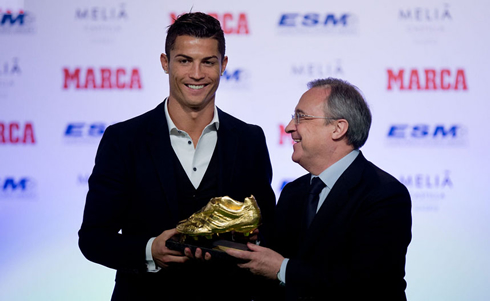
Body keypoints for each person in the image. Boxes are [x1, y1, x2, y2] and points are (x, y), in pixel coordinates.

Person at [78, 12, 276, 301]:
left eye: (208, 62)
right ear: (165, 63)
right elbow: (94, 238)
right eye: (185, 60)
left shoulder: (249, 139)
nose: (196, 74)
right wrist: (149, 251)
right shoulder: (124, 140)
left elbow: (267, 228)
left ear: (223, 65)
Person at [226, 78, 412, 301]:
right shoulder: (294, 192)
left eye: (301, 117)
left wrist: (282, 269)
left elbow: (367, 285)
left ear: (338, 128)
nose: (289, 127)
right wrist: (250, 242)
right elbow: (272, 259)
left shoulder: (384, 195)